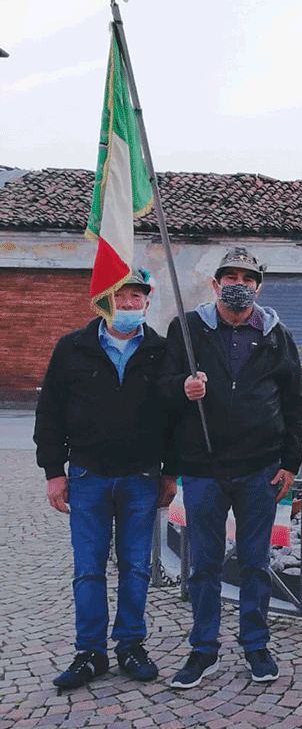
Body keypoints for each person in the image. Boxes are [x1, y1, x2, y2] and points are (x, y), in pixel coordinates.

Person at [159, 246, 302, 689]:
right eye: (230, 276)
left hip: (260, 470)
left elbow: (295, 403)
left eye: (247, 277)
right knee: (203, 563)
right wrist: (182, 387)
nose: (238, 284)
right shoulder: (186, 330)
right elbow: (161, 391)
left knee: (256, 563)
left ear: (259, 287)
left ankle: (255, 645)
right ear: (215, 283)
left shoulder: (278, 335)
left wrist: (290, 464)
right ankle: (203, 649)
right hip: (203, 469)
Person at [35, 269, 176, 690]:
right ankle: (90, 652)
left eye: (137, 296)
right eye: (121, 296)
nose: (130, 304)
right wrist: (54, 473)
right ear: (104, 301)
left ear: (147, 303)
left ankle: (131, 645)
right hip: (87, 476)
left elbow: (175, 418)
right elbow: (50, 414)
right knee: (88, 569)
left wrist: (172, 472)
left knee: (136, 567)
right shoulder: (71, 348)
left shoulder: (161, 351)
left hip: (141, 476)